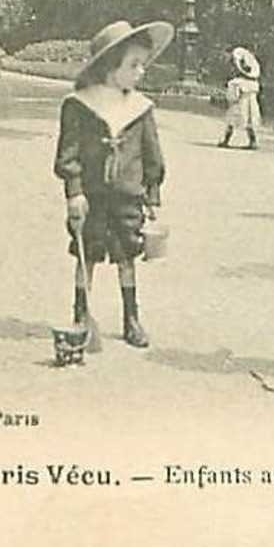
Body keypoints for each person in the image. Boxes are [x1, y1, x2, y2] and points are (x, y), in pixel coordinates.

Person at [53, 18, 175, 348]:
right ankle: (81, 313)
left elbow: (152, 155)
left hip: (127, 197)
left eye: (142, 64)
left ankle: (131, 317)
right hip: (91, 197)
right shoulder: (79, 105)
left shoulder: (140, 108)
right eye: (134, 65)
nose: (141, 72)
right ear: (110, 67)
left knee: (127, 255)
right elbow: (69, 153)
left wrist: (152, 195)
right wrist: (74, 191)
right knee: (86, 254)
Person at [219, 46, 262, 149]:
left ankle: (226, 140)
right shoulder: (253, 82)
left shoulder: (236, 83)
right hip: (250, 98)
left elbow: (232, 98)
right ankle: (253, 141)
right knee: (251, 118)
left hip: (240, 101)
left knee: (233, 118)